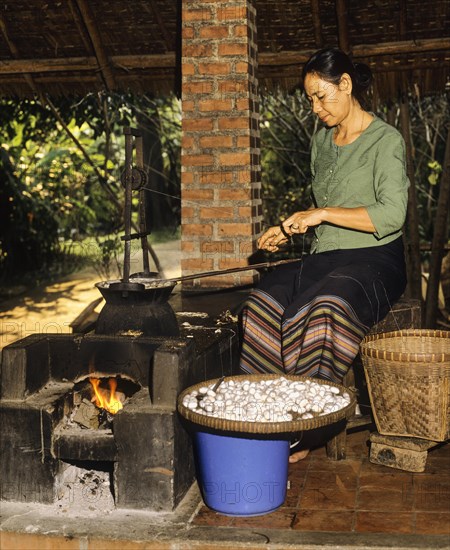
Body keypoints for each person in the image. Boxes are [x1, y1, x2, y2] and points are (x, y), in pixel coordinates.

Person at [239, 47, 409, 462]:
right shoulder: (321, 142)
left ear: (346, 85)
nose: (315, 107)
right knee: (260, 304)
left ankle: (308, 424)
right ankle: (267, 416)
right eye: (310, 99)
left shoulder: (386, 140)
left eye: (322, 96)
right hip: (324, 258)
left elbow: (392, 214)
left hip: (377, 259)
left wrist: (321, 214)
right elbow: (326, 214)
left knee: (326, 307)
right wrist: (285, 230)